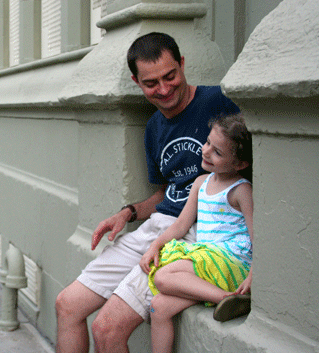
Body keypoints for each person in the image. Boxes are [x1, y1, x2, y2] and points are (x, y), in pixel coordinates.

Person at [55, 32, 240, 353]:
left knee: (106, 328)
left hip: (197, 232)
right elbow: (167, 192)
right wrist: (126, 213)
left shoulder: (217, 103)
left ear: (182, 64)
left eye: (170, 76)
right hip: (157, 225)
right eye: (151, 83)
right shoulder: (154, 126)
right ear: (136, 82)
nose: (164, 89)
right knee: (67, 304)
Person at [140, 114, 253, 353]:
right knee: (158, 306)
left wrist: (253, 275)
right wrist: (155, 246)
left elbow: (258, 237)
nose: (206, 151)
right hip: (210, 260)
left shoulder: (240, 190)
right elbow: (181, 225)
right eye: (208, 142)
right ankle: (224, 298)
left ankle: (227, 298)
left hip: (231, 262)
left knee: (162, 277)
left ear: (240, 164)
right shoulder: (201, 182)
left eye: (218, 152)